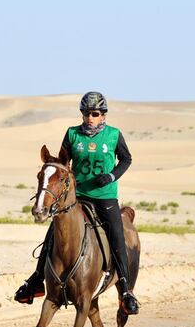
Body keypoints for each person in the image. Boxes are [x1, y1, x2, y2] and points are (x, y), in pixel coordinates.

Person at [14, 91, 140, 315]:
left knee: (117, 234)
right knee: (54, 231)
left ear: (103, 115)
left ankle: (126, 290)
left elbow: (127, 159)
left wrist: (111, 176)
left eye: (95, 113)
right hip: (77, 195)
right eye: (86, 113)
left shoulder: (113, 135)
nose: (90, 117)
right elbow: (63, 162)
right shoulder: (72, 134)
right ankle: (35, 280)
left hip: (105, 195)